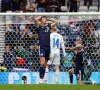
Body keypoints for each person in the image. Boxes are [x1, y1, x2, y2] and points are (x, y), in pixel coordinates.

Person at [34, 16, 58, 84]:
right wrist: (41, 17)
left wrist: (49, 19)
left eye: (45, 19)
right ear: (41, 20)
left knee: (45, 65)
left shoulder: (49, 26)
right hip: (42, 47)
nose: (45, 20)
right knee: (42, 63)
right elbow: (35, 19)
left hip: (48, 47)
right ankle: (40, 79)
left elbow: (56, 22)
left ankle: (43, 78)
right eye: (43, 19)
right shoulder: (38, 27)